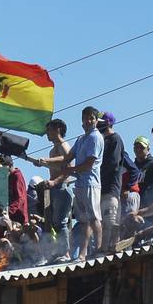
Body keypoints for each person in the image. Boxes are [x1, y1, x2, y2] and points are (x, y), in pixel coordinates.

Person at [46, 106, 103, 262]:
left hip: (91, 183)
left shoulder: (95, 137)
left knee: (94, 218)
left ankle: (99, 250)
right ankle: (83, 255)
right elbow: (67, 158)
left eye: (91, 118)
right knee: (84, 221)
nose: (88, 121)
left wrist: (70, 170)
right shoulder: (81, 139)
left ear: (96, 120)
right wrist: (46, 161)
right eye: (85, 118)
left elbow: (89, 163)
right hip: (80, 184)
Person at [25, 118, 73, 262]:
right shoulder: (53, 150)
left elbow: (67, 161)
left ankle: (66, 253)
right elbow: (55, 165)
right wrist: (42, 163)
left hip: (62, 188)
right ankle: (58, 252)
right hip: (54, 188)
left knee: (61, 222)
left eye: (49, 130)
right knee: (54, 223)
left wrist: (46, 161)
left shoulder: (64, 145)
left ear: (57, 129)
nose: (47, 133)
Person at [97, 112, 125, 252]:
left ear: (108, 123)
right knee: (102, 221)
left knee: (111, 220)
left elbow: (113, 163)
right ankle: (103, 248)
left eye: (100, 122)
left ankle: (114, 247)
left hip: (110, 187)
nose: (98, 124)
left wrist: (98, 172)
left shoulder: (115, 139)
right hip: (100, 188)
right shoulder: (102, 139)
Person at [133, 136, 153, 208]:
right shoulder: (133, 166)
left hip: (149, 205)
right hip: (135, 204)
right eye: (136, 147)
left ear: (148, 149)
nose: (138, 150)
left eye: (142, 147)